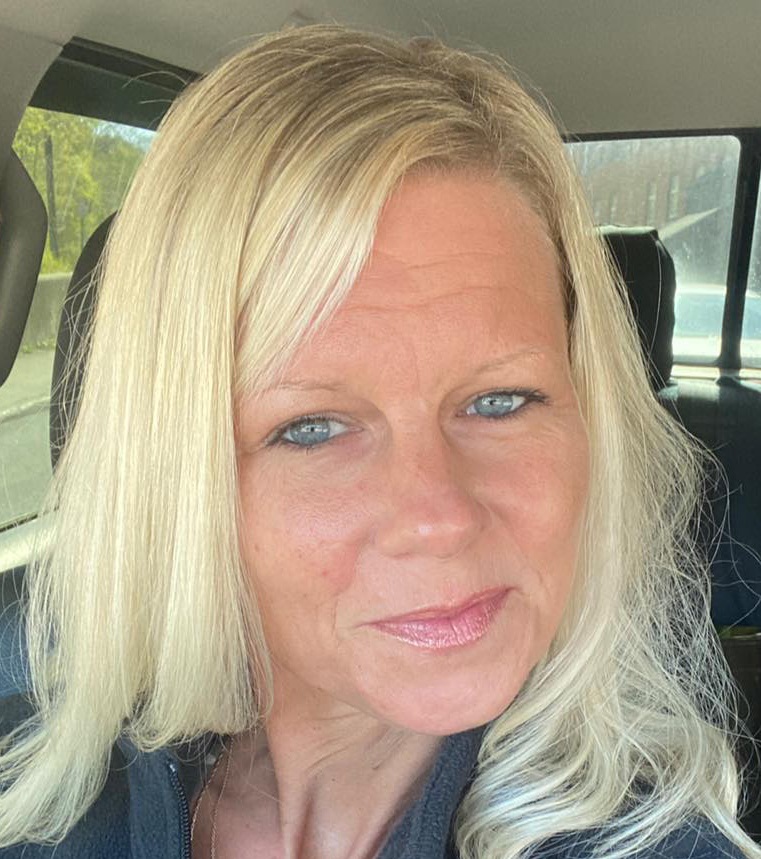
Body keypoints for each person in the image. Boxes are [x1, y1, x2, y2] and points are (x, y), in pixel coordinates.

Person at [0, 22, 757, 859]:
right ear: (181, 476)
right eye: (312, 428)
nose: (438, 516)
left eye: (501, 400)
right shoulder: (39, 806)